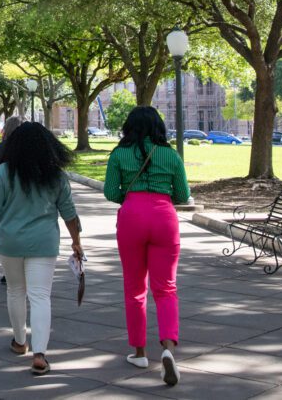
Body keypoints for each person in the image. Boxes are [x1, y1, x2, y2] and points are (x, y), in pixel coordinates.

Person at [0, 122, 82, 376]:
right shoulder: (56, 174)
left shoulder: (4, 172)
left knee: (15, 290)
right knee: (40, 296)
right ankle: (40, 354)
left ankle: (20, 341)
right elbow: (69, 212)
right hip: (43, 242)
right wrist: (76, 241)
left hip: (9, 241)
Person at [104, 106, 190, 387]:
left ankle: (139, 352)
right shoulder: (171, 154)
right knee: (166, 288)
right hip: (164, 216)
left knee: (134, 288)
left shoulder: (119, 154)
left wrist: (131, 198)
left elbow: (109, 191)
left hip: (132, 216)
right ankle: (168, 347)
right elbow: (183, 194)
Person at [0, 116, 24, 285]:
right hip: (26, 194)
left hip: (6, 194)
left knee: (7, 229)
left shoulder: (3, 146)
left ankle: (9, 270)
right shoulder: (29, 147)